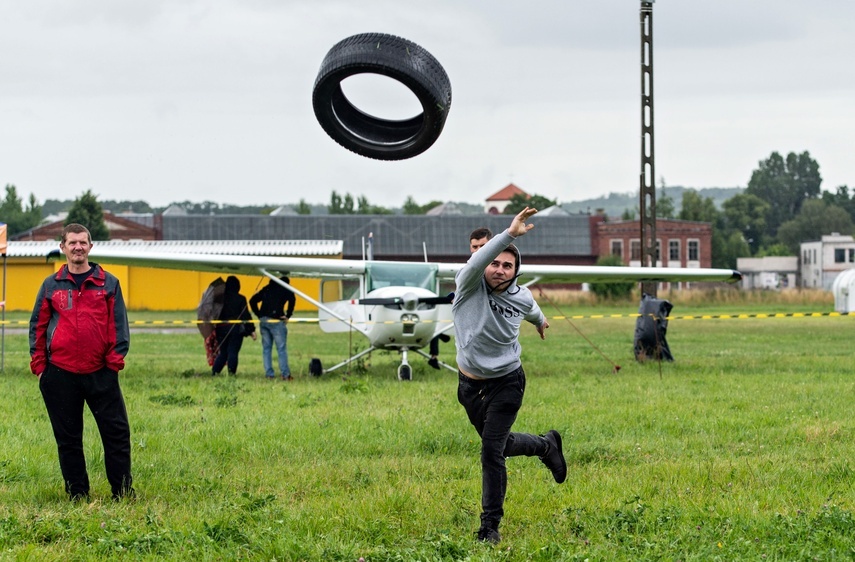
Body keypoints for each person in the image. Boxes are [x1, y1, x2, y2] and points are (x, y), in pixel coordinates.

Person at [452, 208, 566, 544]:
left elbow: (532, 310)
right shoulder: (468, 284)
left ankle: (490, 527)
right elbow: (475, 264)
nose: (500, 270)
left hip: (507, 382)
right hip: (470, 385)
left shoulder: (522, 295)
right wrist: (510, 235)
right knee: (499, 445)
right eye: (495, 262)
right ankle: (546, 446)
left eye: (508, 265)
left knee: (491, 451)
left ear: (516, 271)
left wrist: (541, 322)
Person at [29, 223, 134, 501]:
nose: (78, 247)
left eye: (82, 242)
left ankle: (122, 493)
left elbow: (119, 329)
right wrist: (41, 369)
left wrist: (112, 365)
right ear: (62, 247)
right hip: (60, 375)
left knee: (117, 436)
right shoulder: (51, 285)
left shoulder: (108, 283)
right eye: (72, 242)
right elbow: (37, 328)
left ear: (90, 246)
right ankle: (78, 493)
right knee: (69, 439)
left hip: (101, 373)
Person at [427, 227, 494, 370]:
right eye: (474, 247)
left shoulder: (499, 271)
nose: (478, 250)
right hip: (470, 331)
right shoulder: (466, 272)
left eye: (482, 246)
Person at [249, 275, 296, 380]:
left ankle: (269, 374)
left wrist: (259, 314)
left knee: (266, 349)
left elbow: (252, 300)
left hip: (264, 320)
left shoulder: (267, 288)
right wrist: (288, 315)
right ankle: (285, 374)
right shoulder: (285, 289)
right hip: (276, 320)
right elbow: (292, 300)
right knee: (281, 349)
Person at [212, 275, 256, 376]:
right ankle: (231, 374)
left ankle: (215, 372)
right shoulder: (241, 298)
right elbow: (245, 315)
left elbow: (214, 313)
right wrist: (251, 330)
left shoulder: (219, 299)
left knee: (223, 353)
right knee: (233, 352)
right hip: (235, 329)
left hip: (220, 328)